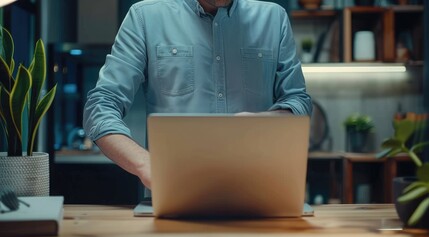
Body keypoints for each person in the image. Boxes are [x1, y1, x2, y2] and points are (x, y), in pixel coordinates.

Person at [83, 0, 312, 191]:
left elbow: (299, 102)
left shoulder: (274, 18)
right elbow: (100, 107)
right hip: (172, 195)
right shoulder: (145, 17)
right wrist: (146, 164)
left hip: (263, 192)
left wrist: (262, 122)